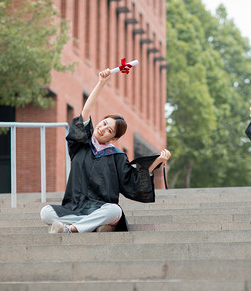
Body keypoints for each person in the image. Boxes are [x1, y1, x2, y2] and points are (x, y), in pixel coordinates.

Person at [40, 68, 171, 233]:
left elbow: (134, 182)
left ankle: (70, 229)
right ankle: (93, 226)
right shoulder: (81, 145)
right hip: (75, 207)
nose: (102, 129)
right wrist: (101, 83)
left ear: (114, 138)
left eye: (109, 130)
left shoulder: (116, 157)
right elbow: (85, 112)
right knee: (46, 213)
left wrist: (157, 161)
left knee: (114, 210)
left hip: (101, 209)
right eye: (103, 124)